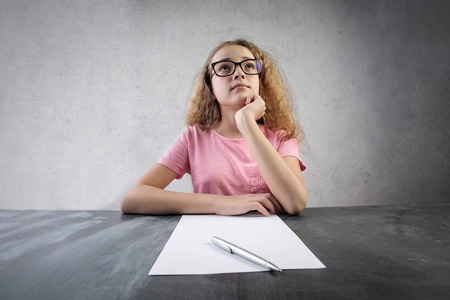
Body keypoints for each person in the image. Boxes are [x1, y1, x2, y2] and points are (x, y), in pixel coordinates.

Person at [121, 39, 307, 216]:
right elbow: (133, 198)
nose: (239, 73)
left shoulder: (281, 136)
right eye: (225, 67)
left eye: (249, 66)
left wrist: (246, 121)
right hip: (209, 237)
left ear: (260, 82)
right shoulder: (193, 138)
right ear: (210, 89)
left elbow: (295, 203)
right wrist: (223, 204)